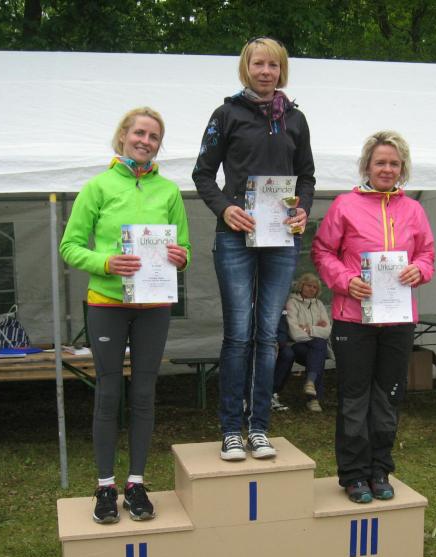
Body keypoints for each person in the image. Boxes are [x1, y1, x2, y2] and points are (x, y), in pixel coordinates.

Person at [60, 107, 191, 524]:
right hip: (107, 303)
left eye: (154, 137)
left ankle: (136, 483)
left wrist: (180, 256)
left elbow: (185, 249)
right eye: (139, 133)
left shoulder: (169, 191)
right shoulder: (97, 187)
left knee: (144, 393)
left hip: (154, 306)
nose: (145, 141)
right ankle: (105, 486)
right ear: (122, 136)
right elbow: (69, 246)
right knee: (108, 392)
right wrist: (106, 262)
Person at [193, 36, 315, 461]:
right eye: (258, 64)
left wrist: (304, 210)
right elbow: (203, 174)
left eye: (273, 65)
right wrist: (225, 209)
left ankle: (259, 427)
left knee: (268, 336)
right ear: (246, 68)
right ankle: (231, 429)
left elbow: (306, 177)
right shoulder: (226, 114)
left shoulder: (295, 119)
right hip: (235, 235)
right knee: (239, 335)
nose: (266, 71)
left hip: (280, 237)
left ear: (282, 70)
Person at [312, 130, 434, 503]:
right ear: (367, 165)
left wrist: (419, 270)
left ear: (402, 169)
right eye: (380, 162)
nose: (387, 169)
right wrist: (345, 280)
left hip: (398, 320)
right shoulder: (344, 205)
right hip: (353, 319)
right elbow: (322, 251)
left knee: (388, 397)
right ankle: (353, 475)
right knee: (355, 398)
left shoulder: (414, 210)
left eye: (394, 163)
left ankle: (380, 470)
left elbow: (427, 255)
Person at [273, 272, 331, 412]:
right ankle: (313, 398)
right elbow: (295, 334)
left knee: (318, 348)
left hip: (314, 347)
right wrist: (317, 329)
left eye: (315, 287)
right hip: (297, 346)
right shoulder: (292, 302)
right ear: (301, 286)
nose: (311, 289)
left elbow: (328, 331)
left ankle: (311, 383)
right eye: (308, 285)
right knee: (319, 348)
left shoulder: (319, 304)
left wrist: (308, 328)